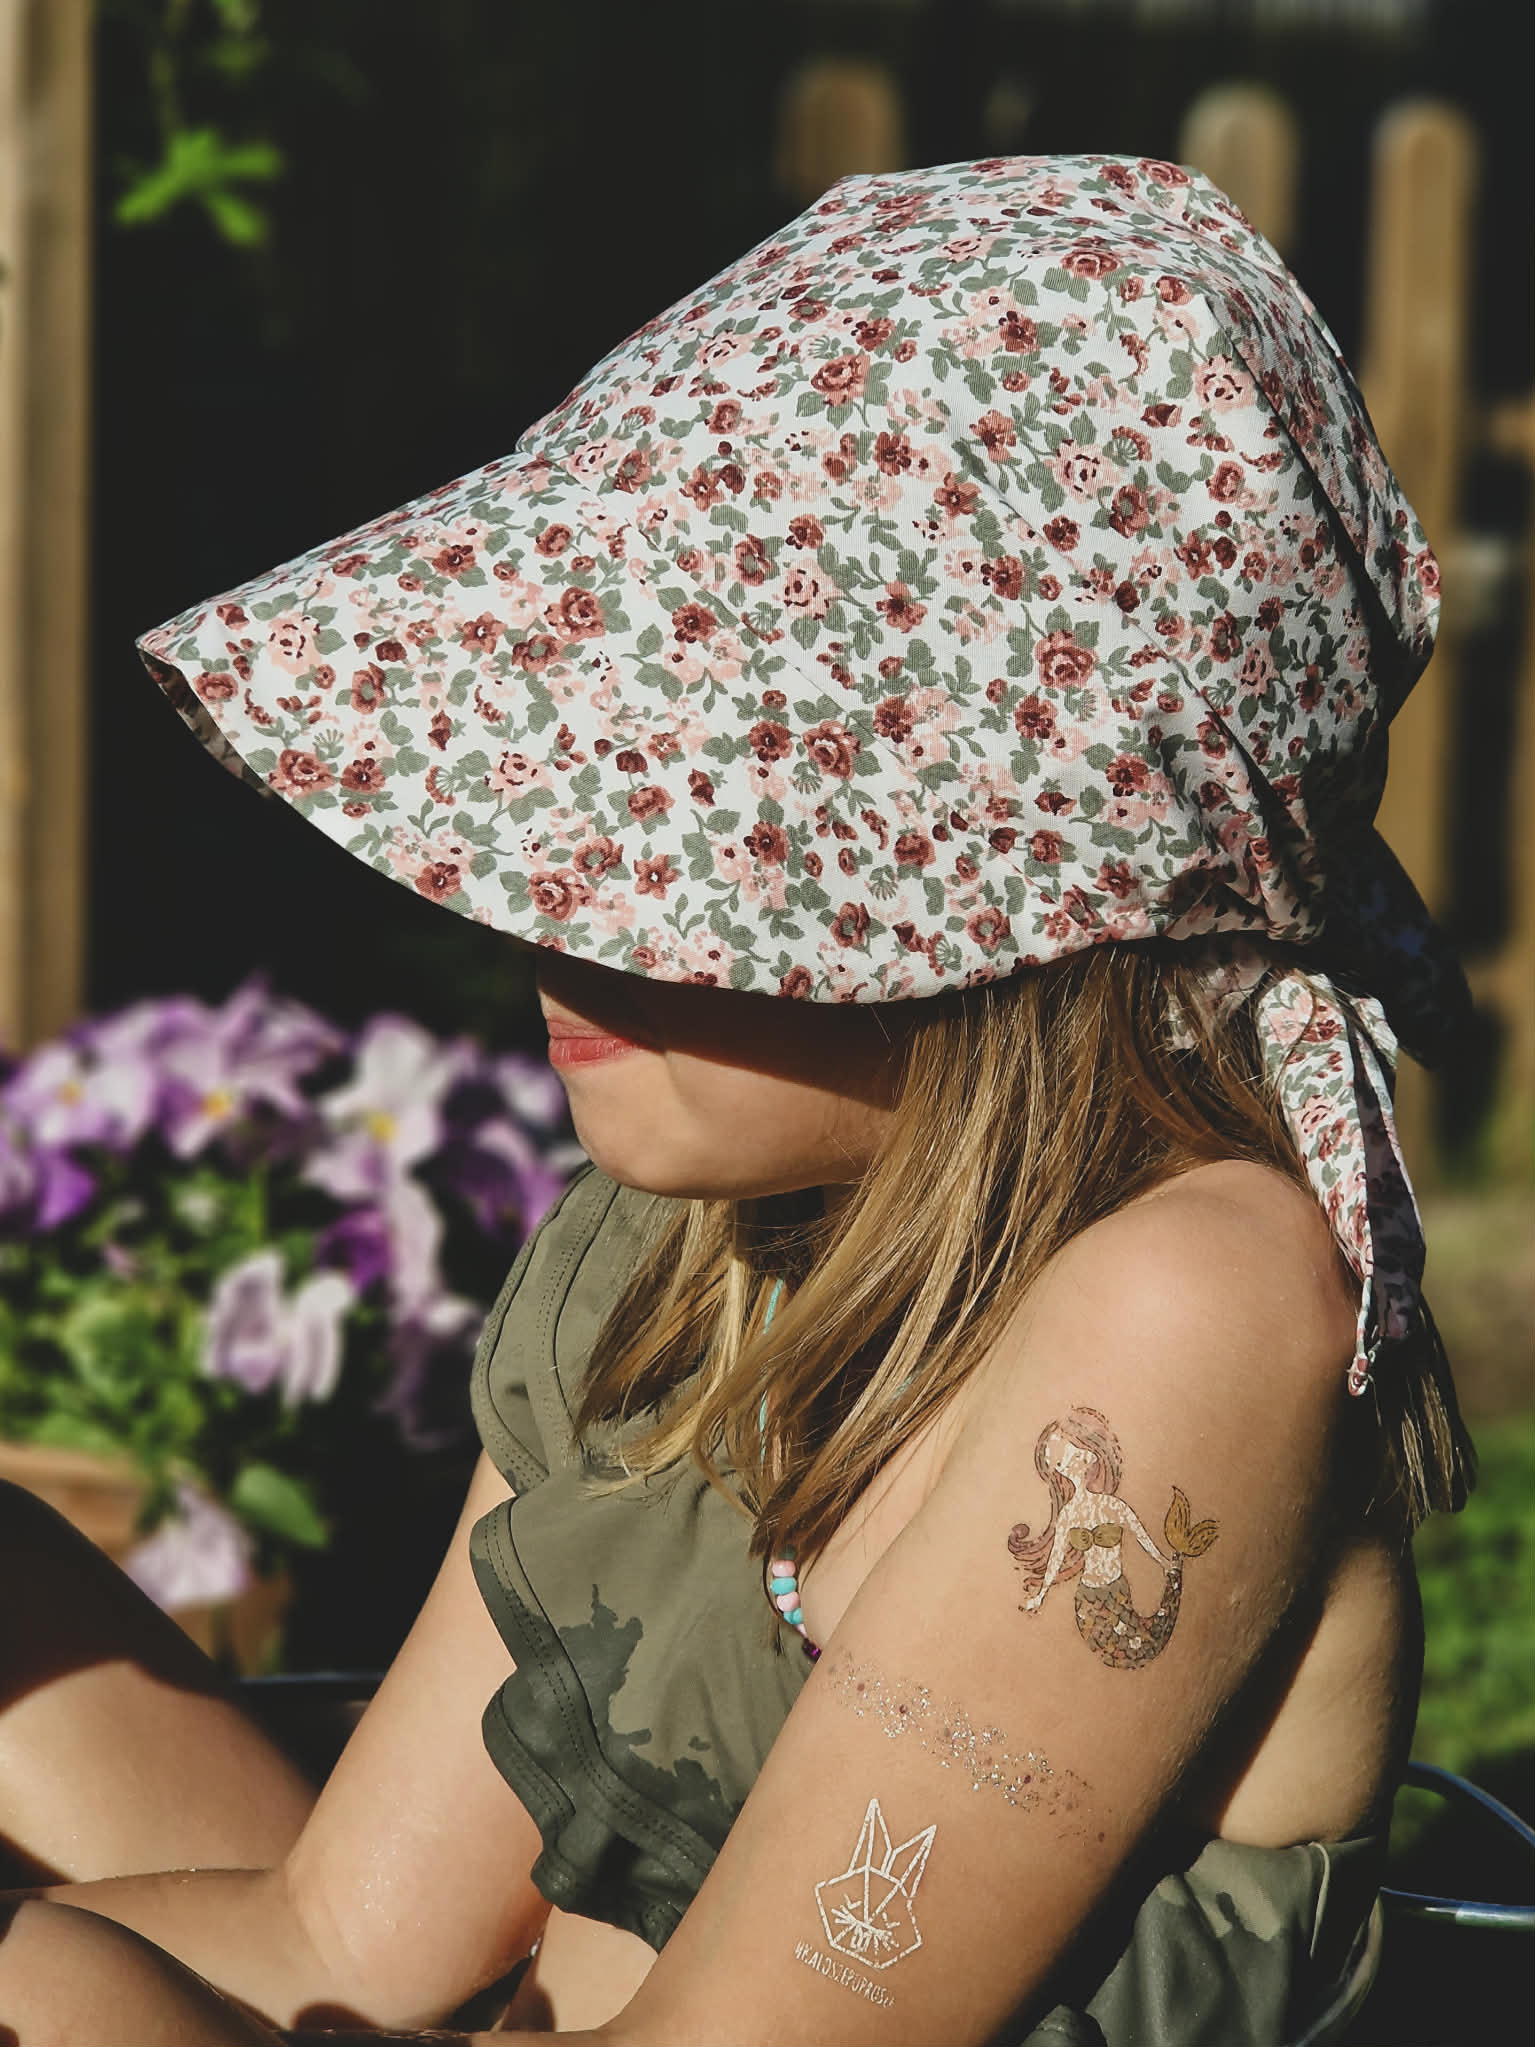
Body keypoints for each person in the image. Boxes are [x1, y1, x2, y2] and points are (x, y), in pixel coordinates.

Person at [0, 153, 1473, 2045]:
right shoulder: (685, 1253)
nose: (538, 914)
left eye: (659, 859)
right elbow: (346, 1943)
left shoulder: (1195, 1309)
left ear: (1010, 902)